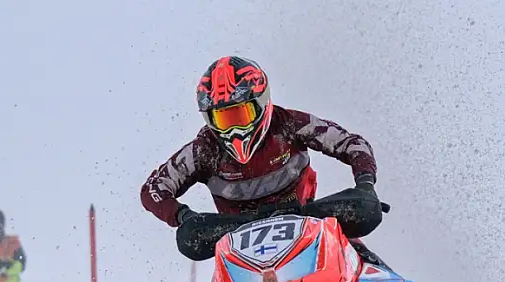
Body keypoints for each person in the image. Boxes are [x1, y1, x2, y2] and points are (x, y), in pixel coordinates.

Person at [140, 55, 386, 265]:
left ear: (261, 104)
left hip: (311, 227)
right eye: (223, 119)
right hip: (242, 249)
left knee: (371, 270)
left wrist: (365, 184)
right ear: (209, 119)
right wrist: (184, 216)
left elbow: (352, 143)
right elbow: (153, 189)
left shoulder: (291, 124)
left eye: (240, 114)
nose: (234, 129)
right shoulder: (203, 150)